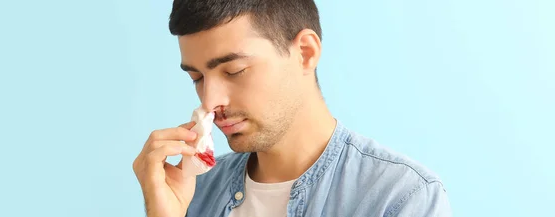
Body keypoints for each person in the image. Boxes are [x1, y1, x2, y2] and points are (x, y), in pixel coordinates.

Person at [132, 0, 452, 216]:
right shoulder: (194, 194)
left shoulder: (400, 198)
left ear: (305, 53)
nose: (209, 102)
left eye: (234, 71)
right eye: (197, 77)